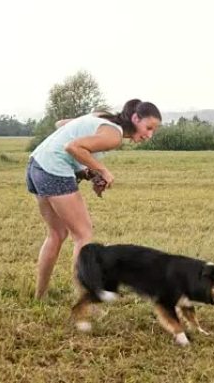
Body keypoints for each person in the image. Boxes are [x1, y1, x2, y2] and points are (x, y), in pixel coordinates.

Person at [26, 99, 162, 299]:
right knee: (83, 235)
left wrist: (88, 173)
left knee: (56, 234)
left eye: (154, 131)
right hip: (53, 169)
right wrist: (102, 170)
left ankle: (40, 297)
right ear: (135, 118)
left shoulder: (101, 116)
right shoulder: (113, 135)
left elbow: (62, 124)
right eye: (148, 127)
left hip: (36, 165)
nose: (149, 135)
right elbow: (73, 147)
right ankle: (82, 298)